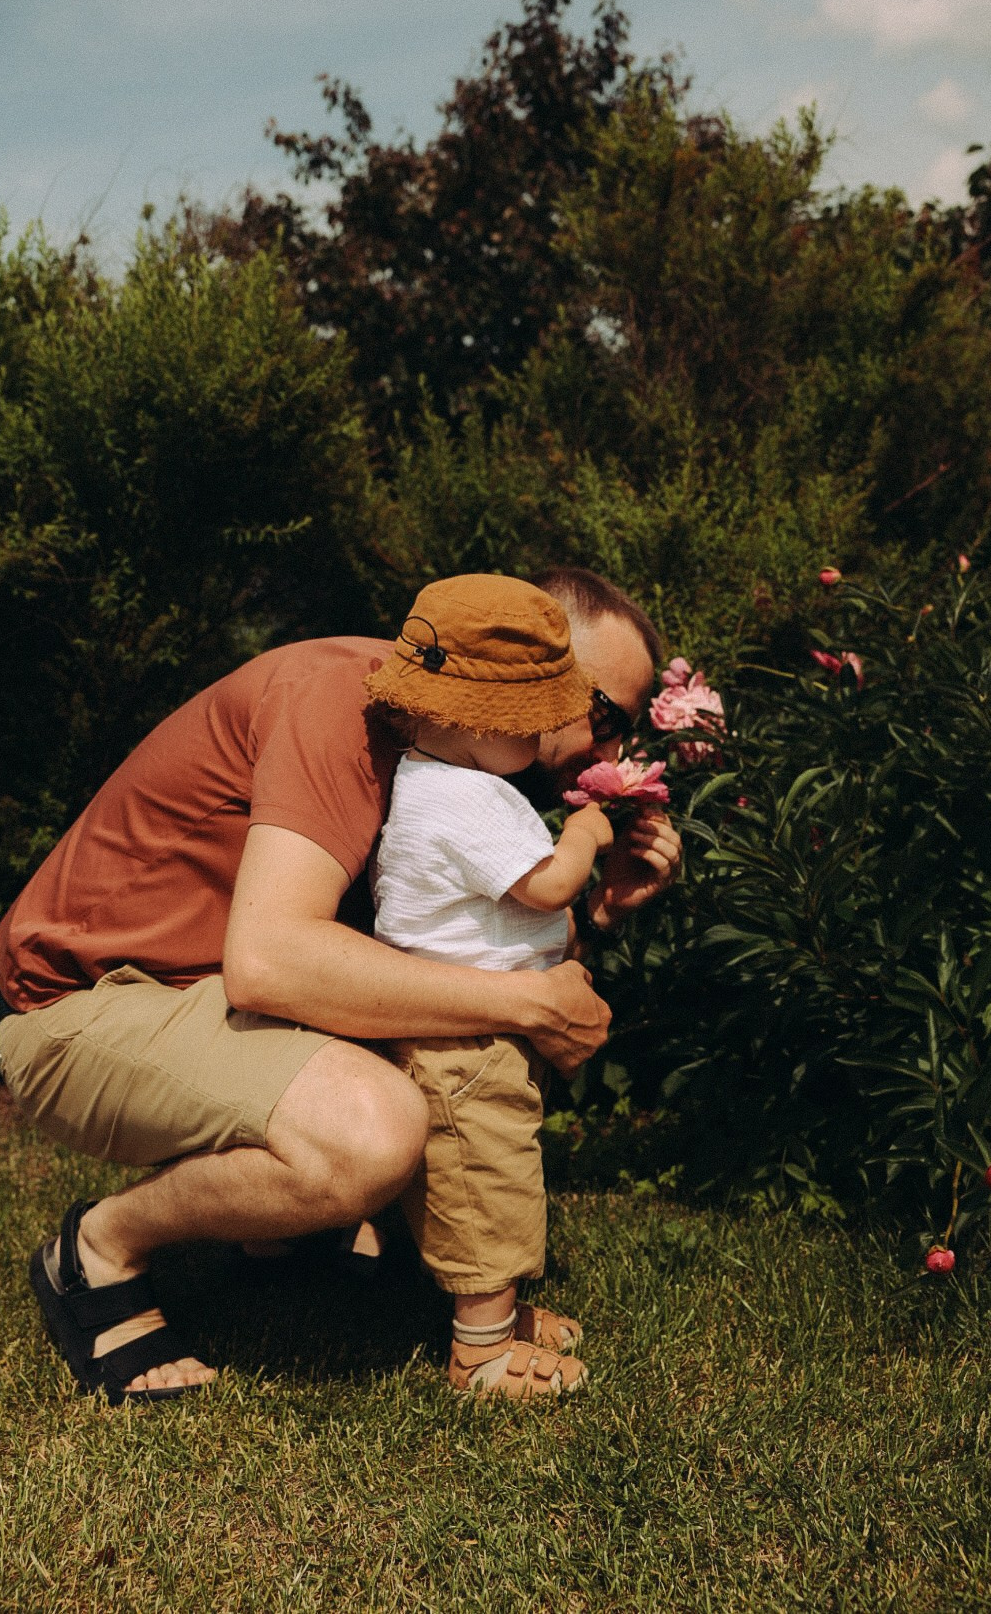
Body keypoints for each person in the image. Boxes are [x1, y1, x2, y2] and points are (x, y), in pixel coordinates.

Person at [0, 567, 679, 1404]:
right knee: (371, 1129)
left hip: (203, 994)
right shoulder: (342, 705)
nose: (608, 752)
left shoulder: (441, 753)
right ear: (524, 666)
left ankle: (280, 1241)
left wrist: (601, 912)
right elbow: (271, 959)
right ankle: (95, 1250)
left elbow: (445, 954)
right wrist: (529, 1003)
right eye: (602, 713)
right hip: (83, 1005)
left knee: (440, 1045)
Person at [366, 575, 616, 1398]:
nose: (547, 736)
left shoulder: (428, 777)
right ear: (482, 722)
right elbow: (544, 888)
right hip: (468, 1041)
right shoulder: (472, 794)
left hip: (459, 1026)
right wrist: (585, 830)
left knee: (477, 1174)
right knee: (489, 1181)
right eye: (534, 721)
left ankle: (500, 1322)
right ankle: (481, 1355)